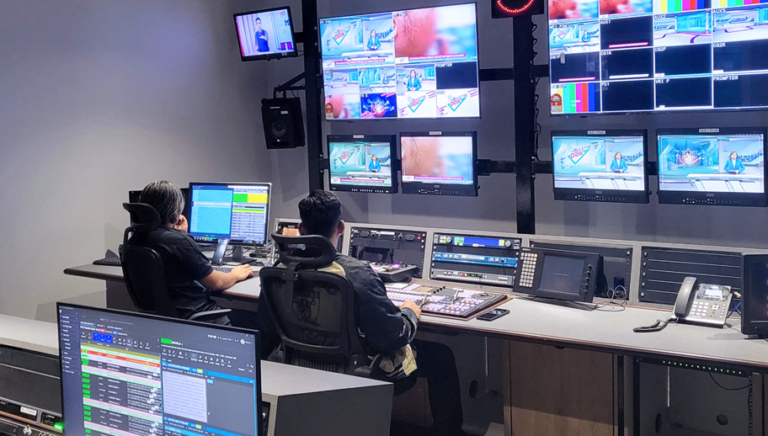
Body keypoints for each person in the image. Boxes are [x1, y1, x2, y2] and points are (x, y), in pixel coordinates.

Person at [260, 191, 465, 436]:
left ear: (301, 228)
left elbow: (267, 326)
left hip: (298, 366)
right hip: (355, 371)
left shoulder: (279, 270)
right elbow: (393, 337)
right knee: (441, 356)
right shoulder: (356, 273)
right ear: (342, 227)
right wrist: (410, 312)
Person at [132, 181, 253, 324]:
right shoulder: (178, 241)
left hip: (165, 318)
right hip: (197, 317)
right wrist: (234, 274)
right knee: (260, 321)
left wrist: (179, 234)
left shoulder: (135, 238)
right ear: (175, 210)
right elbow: (216, 283)